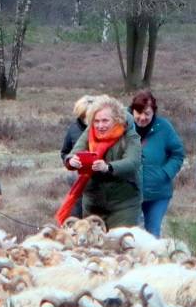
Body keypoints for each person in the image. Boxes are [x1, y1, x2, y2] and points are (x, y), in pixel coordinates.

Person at [56, 98, 144, 230]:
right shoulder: (89, 133)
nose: (100, 126)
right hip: (93, 203)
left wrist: (107, 167)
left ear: (117, 119)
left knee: (119, 243)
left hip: (124, 204)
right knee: (92, 244)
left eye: (105, 121)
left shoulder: (130, 135)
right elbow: (75, 152)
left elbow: (132, 162)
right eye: (96, 121)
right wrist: (71, 161)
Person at [129, 90, 186, 237]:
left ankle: (153, 260)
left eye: (147, 113)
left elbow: (178, 153)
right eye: (138, 113)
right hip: (129, 192)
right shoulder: (123, 125)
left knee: (153, 233)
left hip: (158, 192)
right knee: (132, 234)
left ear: (154, 112)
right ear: (132, 110)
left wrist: (165, 173)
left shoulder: (164, 127)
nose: (142, 117)